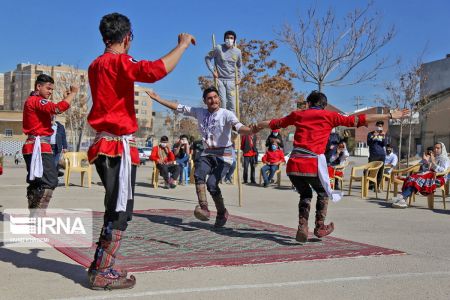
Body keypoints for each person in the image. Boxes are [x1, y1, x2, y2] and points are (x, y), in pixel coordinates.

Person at [86, 12, 195, 290]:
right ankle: (101, 270)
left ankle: (102, 265)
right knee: (119, 211)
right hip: (117, 147)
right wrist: (182, 45)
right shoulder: (119, 61)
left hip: (106, 145)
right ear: (127, 38)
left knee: (115, 207)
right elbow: (155, 71)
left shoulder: (95, 64)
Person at [256, 90, 408, 242]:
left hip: (294, 164)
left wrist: (255, 126)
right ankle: (319, 226)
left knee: (306, 194)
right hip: (312, 164)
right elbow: (359, 119)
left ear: (309, 103)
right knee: (322, 193)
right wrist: (389, 116)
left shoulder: (298, 114)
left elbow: (274, 123)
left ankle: (302, 226)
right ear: (324, 105)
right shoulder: (330, 116)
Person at [146, 86, 255, 227]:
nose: (213, 100)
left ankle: (222, 212)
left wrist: (251, 130)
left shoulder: (227, 114)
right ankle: (204, 208)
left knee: (212, 185)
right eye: (209, 98)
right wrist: (157, 98)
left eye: (215, 97)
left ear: (219, 99)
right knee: (198, 175)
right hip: (207, 152)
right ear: (205, 101)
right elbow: (178, 107)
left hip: (224, 155)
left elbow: (239, 127)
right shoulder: (199, 112)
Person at [22, 74, 78, 215]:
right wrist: (73, 93)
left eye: (52, 89)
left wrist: (66, 98)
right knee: (50, 181)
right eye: (48, 88)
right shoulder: (37, 101)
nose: (50, 91)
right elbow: (58, 109)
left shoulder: (33, 101)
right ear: (38, 86)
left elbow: (51, 113)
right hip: (39, 146)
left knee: (37, 181)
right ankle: (38, 216)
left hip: (33, 145)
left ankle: (34, 215)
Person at [391, 142, 449, 208]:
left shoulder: (445, 159)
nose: (435, 150)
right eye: (435, 148)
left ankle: (401, 198)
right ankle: (402, 200)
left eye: (438, 148)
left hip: (439, 178)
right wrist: (425, 161)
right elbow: (425, 169)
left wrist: (433, 163)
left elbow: (443, 171)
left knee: (416, 179)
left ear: (442, 149)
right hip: (428, 176)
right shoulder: (432, 157)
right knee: (412, 178)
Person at [205, 30, 242, 113]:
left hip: (231, 81)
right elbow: (207, 58)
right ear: (224, 39)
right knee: (222, 103)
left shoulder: (238, 52)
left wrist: (239, 77)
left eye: (231, 38)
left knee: (232, 104)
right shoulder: (218, 48)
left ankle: (233, 124)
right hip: (220, 79)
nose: (229, 39)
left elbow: (240, 66)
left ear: (234, 40)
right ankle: (223, 123)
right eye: (227, 38)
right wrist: (212, 71)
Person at [367, 120, 387, 191]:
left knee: (380, 171)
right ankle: (370, 184)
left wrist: (384, 136)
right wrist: (373, 136)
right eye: (378, 126)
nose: (379, 127)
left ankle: (377, 186)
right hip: (373, 155)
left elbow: (384, 144)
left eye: (381, 126)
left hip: (382, 155)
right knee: (371, 170)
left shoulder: (383, 134)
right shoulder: (370, 134)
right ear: (376, 126)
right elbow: (368, 143)